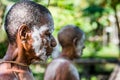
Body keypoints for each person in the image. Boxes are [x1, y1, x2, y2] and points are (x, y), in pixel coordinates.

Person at [0, 1, 56, 80]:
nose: (54, 43)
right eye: (47, 34)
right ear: (24, 33)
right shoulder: (6, 76)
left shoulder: (23, 69)